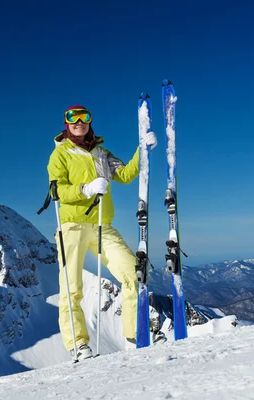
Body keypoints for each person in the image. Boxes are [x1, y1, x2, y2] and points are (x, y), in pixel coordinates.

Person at [47, 105, 156, 360]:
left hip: (102, 225)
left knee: (133, 272)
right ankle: (79, 345)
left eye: (84, 117)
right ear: (66, 123)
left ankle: (133, 337)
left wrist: (143, 152)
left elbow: (126, 174)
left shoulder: (101, 154)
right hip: (72, 224)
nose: (79, 122)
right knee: (72, 287)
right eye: (73, 118)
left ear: (90, 121)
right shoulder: (60, 155)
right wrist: (85, 189)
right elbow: (57, 191)